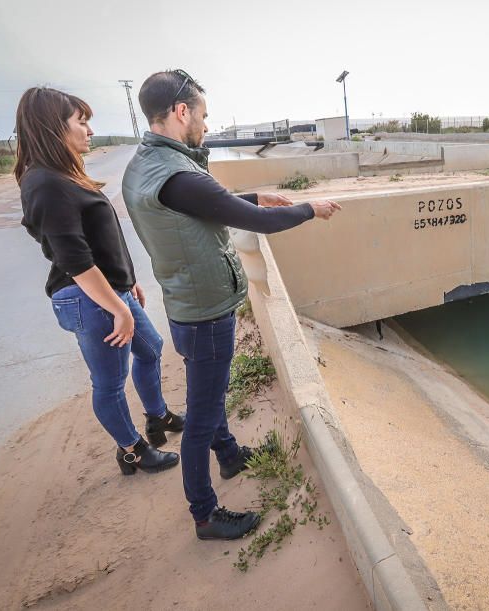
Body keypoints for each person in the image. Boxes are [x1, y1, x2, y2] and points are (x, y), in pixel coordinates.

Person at [122, 69, 341, 540]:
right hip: (205, 312)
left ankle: (230, 456)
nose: (206, 122)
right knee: (201, 416)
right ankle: (205, 515)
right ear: (181, 112)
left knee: (210, 393)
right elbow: (255, 222)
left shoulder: (146, 163)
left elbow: (200, 204)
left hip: (184, 303)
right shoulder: (179, 172)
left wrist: (254, 194)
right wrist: (310, 210)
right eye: (202, 113)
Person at [16, 87, 184, 476]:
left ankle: (157, 417)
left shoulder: (64, 176)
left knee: (151, 348)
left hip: (109, 292)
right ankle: (133, 451)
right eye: (81, 121)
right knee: (109, 381)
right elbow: (74, 260)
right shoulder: (44, 183)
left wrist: (129, 282)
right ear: (53, 127)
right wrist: (116, 306)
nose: (89, 130)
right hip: (89, 299)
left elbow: (102, 240)